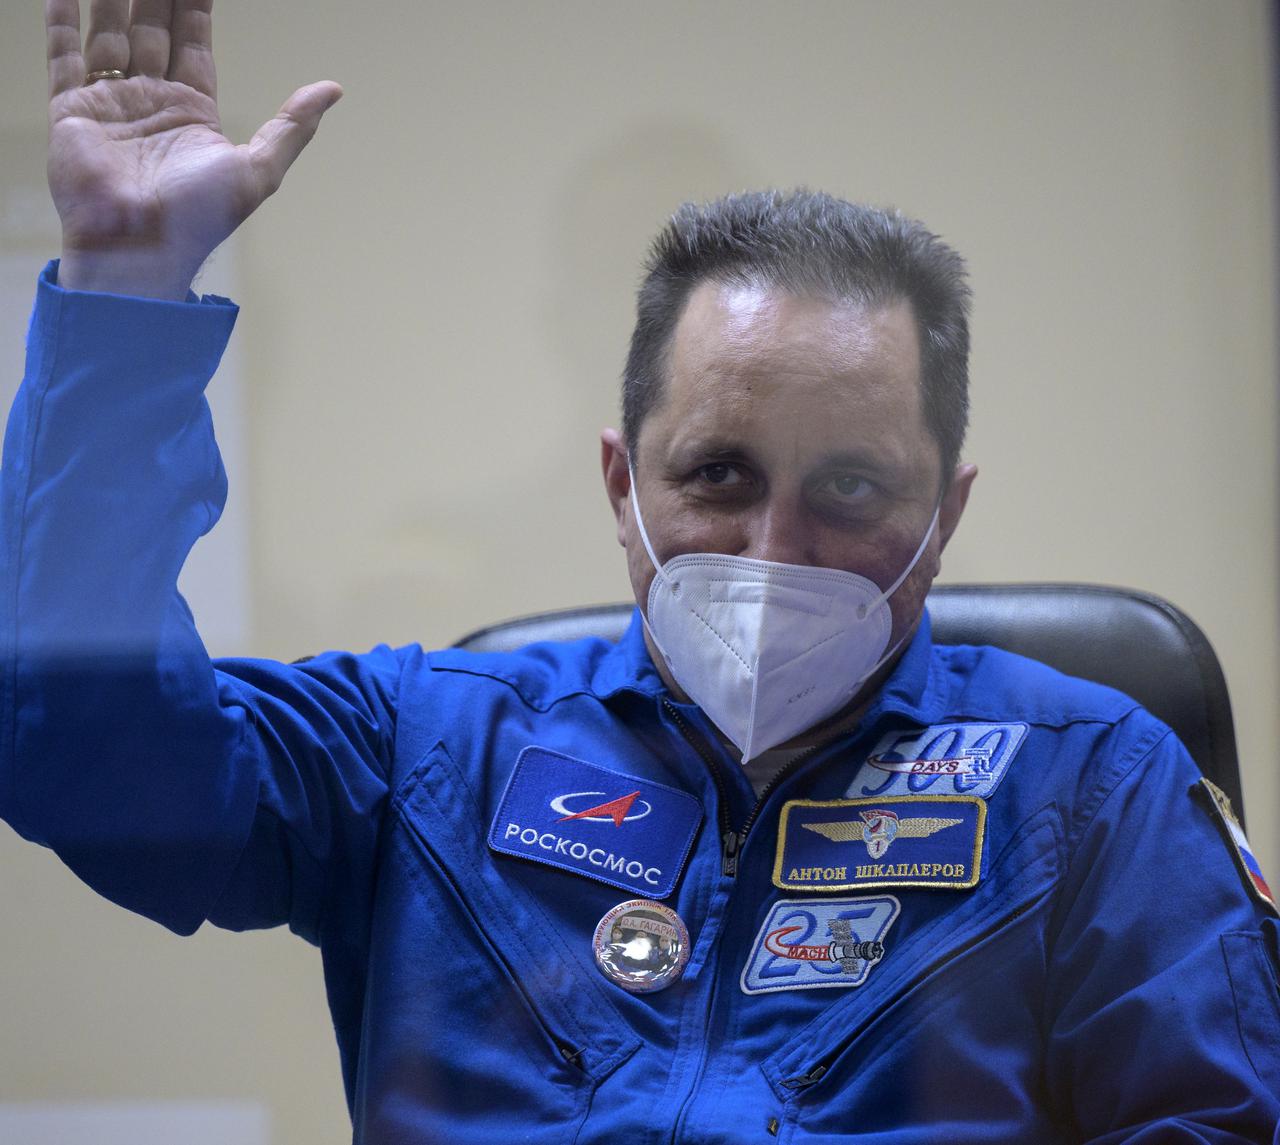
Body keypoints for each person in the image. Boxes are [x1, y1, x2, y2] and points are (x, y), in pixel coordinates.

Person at [3, 2, 1278, 1141]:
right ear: (621, 483)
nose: (775, 551)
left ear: (941, 516)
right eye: (718, 473)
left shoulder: (1097, 784)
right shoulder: (426, 742)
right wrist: (128, 292)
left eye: (848, 488)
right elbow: (78, 748)